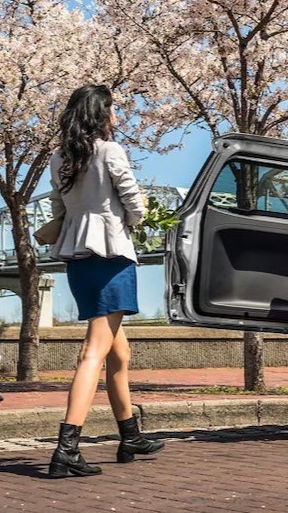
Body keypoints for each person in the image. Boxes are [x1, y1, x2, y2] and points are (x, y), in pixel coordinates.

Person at [46, 84, 164, 478]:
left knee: (119, 353)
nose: (118, 115)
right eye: (113, 109)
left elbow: (58, 206)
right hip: (111, 253)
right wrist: (137, 218)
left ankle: (130, 435)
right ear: (101, 113)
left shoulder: (60, 157)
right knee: (94, 352)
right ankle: (67, 446)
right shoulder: (110, 151)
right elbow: (132, 201)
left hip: (78, 257)